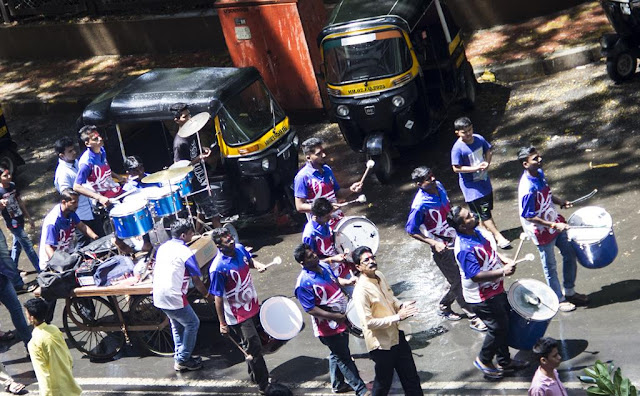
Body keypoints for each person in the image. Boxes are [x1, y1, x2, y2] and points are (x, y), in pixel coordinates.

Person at [446, 206, 528, 380]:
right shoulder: (464, 249)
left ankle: (504, 362)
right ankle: (484, 360)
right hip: (482, 296)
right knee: (498, 328)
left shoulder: (477, 232)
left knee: (504, 323)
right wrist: (503, 272)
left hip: (495, 288)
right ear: (462, 227)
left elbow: (489, 250)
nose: (473, 215)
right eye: (468, 216)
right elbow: (475, 276)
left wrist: (502, 259)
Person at [405, 166, 487, 331]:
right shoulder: (420, 205)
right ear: (419, 184)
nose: (433, 179)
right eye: (428, 179)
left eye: (432, 175)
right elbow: (411, 230)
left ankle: (446, 303)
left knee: (464, 275)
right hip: (442, 248)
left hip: (456, 239)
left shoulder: (440, 186)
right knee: (457, 280)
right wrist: (433, 243)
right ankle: (472, 316)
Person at [517, 146, 589, 312]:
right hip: (540, 229)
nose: (540, 160)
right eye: (535, 159)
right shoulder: (527, 188)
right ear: (525, 164)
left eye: (539, 157)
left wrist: (560, 201)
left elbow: (547, 195)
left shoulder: (539, 174)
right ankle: (558, 298)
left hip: (552, 220)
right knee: (550, 266)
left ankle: (569, 292)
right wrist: (554, 225)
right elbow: (528, 216)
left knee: (570, 253)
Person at [293, 243, 367, 396]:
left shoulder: (323, 266)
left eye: (313, 253)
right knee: (344, 357)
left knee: (337, 353)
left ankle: (338, 385)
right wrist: (335, 317)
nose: (314, 256)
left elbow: (335, 280)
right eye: (310, 256)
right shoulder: (304, 283)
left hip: (342, 316)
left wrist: (347, 282)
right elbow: (311, 309)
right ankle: (361, 390)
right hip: (329, 326)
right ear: (302, 263)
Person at [351, 246, 423, 396]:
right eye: (366, 260)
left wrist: (401, 305)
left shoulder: (380, 275)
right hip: (381, 345)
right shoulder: (360, 291)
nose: (371, 261)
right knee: (383, 384)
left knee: (411, 378)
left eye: (372, 258)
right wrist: (398, 317)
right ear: (358, 267)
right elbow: (368, 322)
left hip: (396, 336)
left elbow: (391, 298)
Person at [208, 227, 270, 394]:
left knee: (255, 344)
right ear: (219, 246)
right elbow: (218, 298)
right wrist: (222, 323)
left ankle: (254, 374)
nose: (231, 240)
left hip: (253, 304)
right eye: (226, 240)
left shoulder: (240, 249)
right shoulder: (218, 268)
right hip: (238, 315)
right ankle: (264, 385)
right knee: (254, 347)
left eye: (230, 237)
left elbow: (248, 261)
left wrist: (258, 265)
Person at [152, 218, 208, 371]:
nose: (192, 235)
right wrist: (207, 295)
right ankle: (183, 359)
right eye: (191, 233)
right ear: (183, 235)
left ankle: (181, 356)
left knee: (177, 325)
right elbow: (197, 280)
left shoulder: (163, 247)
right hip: (172, 296)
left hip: (159, 295)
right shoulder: (184, 251)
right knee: (192, 323)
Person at [73, 126, 136, 253]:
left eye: (99, 136)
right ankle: (119, 243)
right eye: (95, 138)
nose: (100, 139)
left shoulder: (101, 150)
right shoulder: (86, 163)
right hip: (104, 198)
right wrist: (99, 197)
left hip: (114, 190)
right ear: (87, 143)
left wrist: (119, 177)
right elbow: (77, 186)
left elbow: (106, 170)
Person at [451, 117, 511, 249]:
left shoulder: (478, 138)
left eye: (470, 130)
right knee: (484, 212)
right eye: (464, 132)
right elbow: (456, 168)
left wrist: (487, 163)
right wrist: (476, 168)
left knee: (484, 211)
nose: (468, 134)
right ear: (458, 133)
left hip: (484, 182)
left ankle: (484, 236)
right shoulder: (458, 149)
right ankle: (498, 237)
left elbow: (488, 151)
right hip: (472, 188)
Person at [170, 103, 222, 229]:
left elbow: (195, 149)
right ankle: (223, 238)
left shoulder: (193, 131)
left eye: (189, 115)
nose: (189, 118)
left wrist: (203, 149)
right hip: (195, 183)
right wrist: (198, 159)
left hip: (203, 176)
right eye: (184, 117)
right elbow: (180, 167)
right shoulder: (179, 143)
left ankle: (197, 235)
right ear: (176, 120)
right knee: (214, 215)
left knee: (201, 211)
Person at [294, 137, 362, 228]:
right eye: (319, 154)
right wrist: (326, 208)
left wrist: (351, 189)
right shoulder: (302, 177)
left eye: (323, 151)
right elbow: (300, 206)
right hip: (320, 226)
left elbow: (338, 193)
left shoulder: (327, 170)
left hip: (338, 221)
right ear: (308, 157)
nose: (324, 155)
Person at [24, 297, 82, 396]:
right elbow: (68, 357)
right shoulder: (54, 330)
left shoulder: (34, 343)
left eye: (26, 313)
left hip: (55, 391)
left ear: (32, 318)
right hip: (70, 386)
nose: (25, 314)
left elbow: (42, 374)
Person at [54, 136, 104, 248]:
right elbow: (67, 197)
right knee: (84, 246)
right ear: (62, 155)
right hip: (80, 215)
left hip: (91, 209)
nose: (74, 152)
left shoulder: (76, 162)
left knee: (101, 239)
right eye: (70, 151)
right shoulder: (63, 174)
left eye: (73, 149)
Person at [0, 165, 40, 287]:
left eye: (9, 174)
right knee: (28, 245)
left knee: (17, 246)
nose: (9, 177)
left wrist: (29, 218)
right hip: (12, 222)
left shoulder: (12, 186)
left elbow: (20, 201)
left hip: (19, 217)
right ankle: (41, 269)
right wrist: (1, 205)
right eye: (5, 175)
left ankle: (13, 268)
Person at [302, 198, 355, 284]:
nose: (330, 218)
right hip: (329, 272)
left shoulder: (323, 221)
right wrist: (332, 259)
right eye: (327, 216)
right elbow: (310, 264)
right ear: (316, 216)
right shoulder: (310, 236)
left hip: (341, 264)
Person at [39, 189, 98, 264]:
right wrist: (59, 265)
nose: (77, 205)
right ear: (64, 202)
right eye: (74, 203)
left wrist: (96, 238)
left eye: (77, 202)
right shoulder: (53, 222)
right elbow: (48, 247)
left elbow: (82, 226)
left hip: (66, 256)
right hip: (51, 262)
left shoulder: (70, 212)